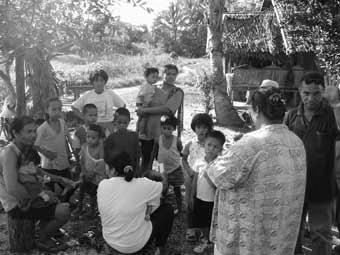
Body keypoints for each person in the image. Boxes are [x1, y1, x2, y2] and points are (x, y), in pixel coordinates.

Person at [206, 87, 306, 255]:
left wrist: (211, 161)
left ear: (257, 110)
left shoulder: (251, 143)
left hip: (248, 240)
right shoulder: (297, 142)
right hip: (281, 236)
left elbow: (218, 176)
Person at [285, 72, 338, 255]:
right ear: (300, 91)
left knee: (321, 233)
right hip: (294, 185)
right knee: (291, 231)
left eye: (316, 93)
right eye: (306, 93)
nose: (310, 98)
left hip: (322, 187)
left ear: (323, 92)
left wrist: (336, 104)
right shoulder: (291, 116)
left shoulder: (331, 114)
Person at [0, 116, 71, 252]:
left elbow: (35, 169)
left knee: (55, 197)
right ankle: (42, 239)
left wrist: (59, 179)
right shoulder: (10, 153)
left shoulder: (22, 148)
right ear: (15, 133)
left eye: (35, 131)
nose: (33, 135)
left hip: (26, 197)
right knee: (64, 210)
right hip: (17, 204)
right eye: (29, 132)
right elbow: (13, 189)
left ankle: (44, 230)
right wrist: (42, 196)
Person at [98, 150, 174, 255]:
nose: (106, 170)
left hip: (109, 239)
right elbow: (165, 185)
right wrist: (162, 169)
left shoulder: (102, 185)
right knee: (168, 209)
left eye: (107, 167)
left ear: (113, 170)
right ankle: (160, 247)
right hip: (135, 245)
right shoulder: (142, 185)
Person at [136, 64, 184, 172]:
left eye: (174, 74)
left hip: (163, 132)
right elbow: (142, 100)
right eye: (168, 74)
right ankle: (144, 182)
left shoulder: (177, 92)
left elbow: (167, 109)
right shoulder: (153, 88)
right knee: (145, 159)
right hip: (148, 130)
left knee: (161, 162)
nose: (171, 76)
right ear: (162, 75)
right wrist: (140, 107)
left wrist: (145, 110)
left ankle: (163, 184)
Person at [191, 130, 225, 253]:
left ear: (220, 149)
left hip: (211, 200)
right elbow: (194, 179)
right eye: (209, 145)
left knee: (209, 221)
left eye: (215, 147)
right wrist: (191, 195)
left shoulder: (219, 165)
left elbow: (219, 187)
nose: (211, 149)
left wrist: (208, 177)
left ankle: (207, 241)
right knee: (200, 220)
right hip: (199, 197)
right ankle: (206, 237)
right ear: (204, 145)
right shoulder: (199, 161)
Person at [35, 97, 75, 202]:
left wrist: (72, 153)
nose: (57, 112)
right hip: (49, 165)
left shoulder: (62, 122)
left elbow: (67, 138)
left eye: (59, 109)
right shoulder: (43, 128)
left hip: (63, 161)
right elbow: (35, 145)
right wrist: (46, 153)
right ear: (46, 110)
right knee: (49, 190)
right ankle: (55, 209)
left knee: (70, 185)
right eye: (54, 109)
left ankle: (64, 203)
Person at [182, 113, 213, 242]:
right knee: (190, 203)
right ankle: (191, 228)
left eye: (205, 127)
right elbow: (183, 158)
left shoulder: (210, 144)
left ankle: (203, 229)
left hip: (205, 181)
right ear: (194, 128)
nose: (201, 130)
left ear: (209, 129)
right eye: (198, 127)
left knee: (202, 204)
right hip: (191, 178)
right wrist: (189, 171)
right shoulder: (190, 144)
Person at [72, 124, 106, 219]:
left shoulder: (100, 148)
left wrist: (92, 173)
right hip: (85, 174)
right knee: (81, 190)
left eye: (93, 137)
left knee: (93, 194)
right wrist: (84, 172)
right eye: (88, 137)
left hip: (96, 176)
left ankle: (92, 210)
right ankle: (79, 207)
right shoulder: (84, 147)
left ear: (99, 138)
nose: (90, 139)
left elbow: (101, 163)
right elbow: (82, 161)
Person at [154, 114, 184, 214]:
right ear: (161, 128)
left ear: (174, 129)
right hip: (162, 168)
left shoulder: (177, 140)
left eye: (169, 128)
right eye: (164, 128)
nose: (166, 130)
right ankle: (161, 205)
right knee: (162, 188)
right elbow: (155, 152)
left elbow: (180, 149)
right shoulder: (158, 139)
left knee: (177, 189)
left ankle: (179, 207)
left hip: (175, 168)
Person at [105, 107, 141, 172]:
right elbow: (107, 156)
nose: (122, 125)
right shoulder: (111, 137)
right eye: (119, 122)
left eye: (125, 123)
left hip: (131, 169)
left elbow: (137, 155)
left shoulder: (134, 136)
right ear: (115, 121)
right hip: (116, 170)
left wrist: (137, 170)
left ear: (129, 121)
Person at [137, 67, 159, 139]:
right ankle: (141, 132)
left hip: (143, 104)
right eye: (153, 77)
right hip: (143, 104)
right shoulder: (146, 86)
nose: (155, 79)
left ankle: (138, 131)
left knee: (141, 118)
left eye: (156, 77)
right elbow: (141, 96)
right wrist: (144, 104)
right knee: (144, 118)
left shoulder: (150, 85)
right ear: (146, 77)